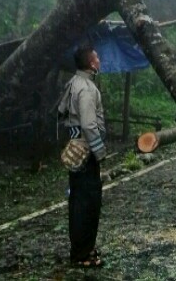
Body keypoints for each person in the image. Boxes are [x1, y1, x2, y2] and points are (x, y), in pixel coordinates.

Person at [59, 45, 107, 267]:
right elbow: (89, 124)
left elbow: (61, 112)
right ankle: (82, 254)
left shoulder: (72, 83)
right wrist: (98, 152)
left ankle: (81, 249)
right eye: (96, 57)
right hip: (86, 151)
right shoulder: (86, 88)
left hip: (74, 148)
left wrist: (72, 136)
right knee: (88, 202)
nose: (99, 59)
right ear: (91, 63)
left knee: (77, 198)